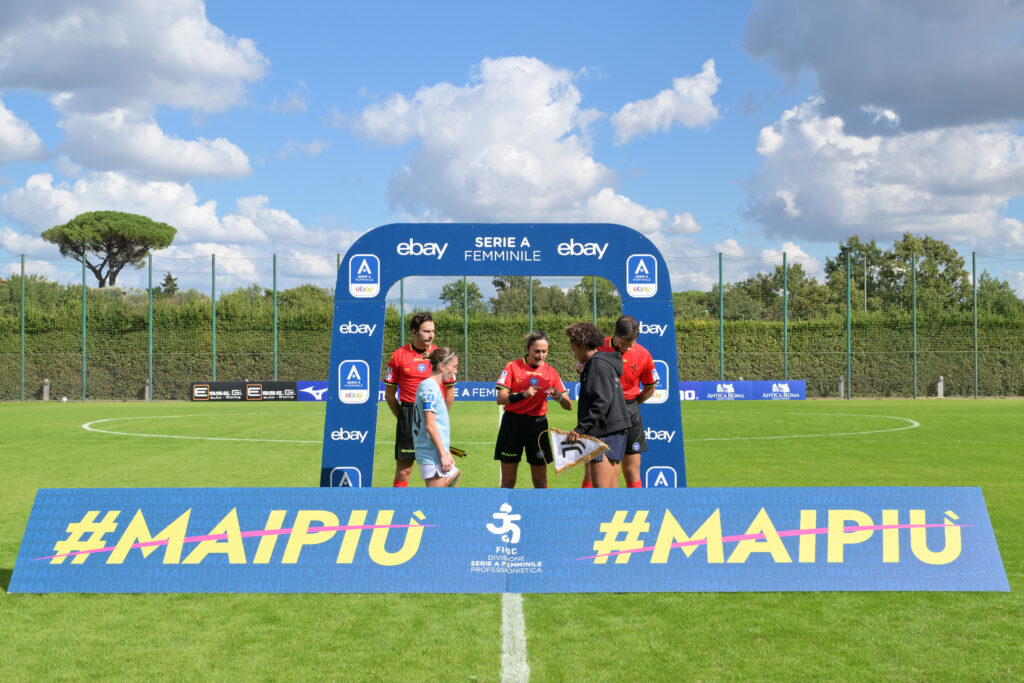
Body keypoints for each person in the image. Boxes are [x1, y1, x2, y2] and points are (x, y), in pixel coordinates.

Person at [582, 315, 657, 489]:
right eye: (623, 343)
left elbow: (650, 387)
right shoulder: (597, 348)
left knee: (632, 471)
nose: (627, 347)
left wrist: (631, 405)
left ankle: (638, 512)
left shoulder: (643, 354)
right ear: (614, 334)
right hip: (600, 412)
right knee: (592, 471)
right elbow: (584, 376)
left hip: (629, 410)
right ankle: (587, 513)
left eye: (631, 343)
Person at [383, 312, 455, 487]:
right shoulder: (398, 356)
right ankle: (398, 509)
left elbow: (449, 391)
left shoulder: (441, 356)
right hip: (409, 414)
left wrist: (439, 416)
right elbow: (389, 395)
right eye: (426, 331)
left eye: (433, 331)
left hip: (433, 414)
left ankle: (436, 508)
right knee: (404, 470)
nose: (431, 335)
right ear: (414, 332)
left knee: (439, 468)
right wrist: (404, 417)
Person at [494, 331, 572, 488]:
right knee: (508, 481)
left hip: (537, 427)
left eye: (544, 351)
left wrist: (559, 397)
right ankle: (503, 511)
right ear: (528, 348)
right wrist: (523, 395)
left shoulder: (551, 372)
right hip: (512, 425)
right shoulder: (512, 367)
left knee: (540, 482)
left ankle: (542, 513)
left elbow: (568, 406)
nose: (541, 355)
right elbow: (500, 398)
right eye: (537, 351)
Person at [563, 321, 630, 488]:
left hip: (605, 431)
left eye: (574, 350)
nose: (573, 355)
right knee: (612, 490)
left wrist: (580, 429)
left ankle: (606, 515)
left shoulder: (596, 365)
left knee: (602, 492)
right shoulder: (602, 363)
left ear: (583, 344)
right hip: (614, 430)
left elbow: (602, 401)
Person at [412, 348, 460, 487]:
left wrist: (446, 452)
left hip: (437, 454)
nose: (455, 371)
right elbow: (430, 425)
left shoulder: (432, 387)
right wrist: (443, 454)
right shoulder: (430, 389)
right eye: (454, 367)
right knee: (437, 505)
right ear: (442, 366)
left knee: (451, 501)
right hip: (432, 457)